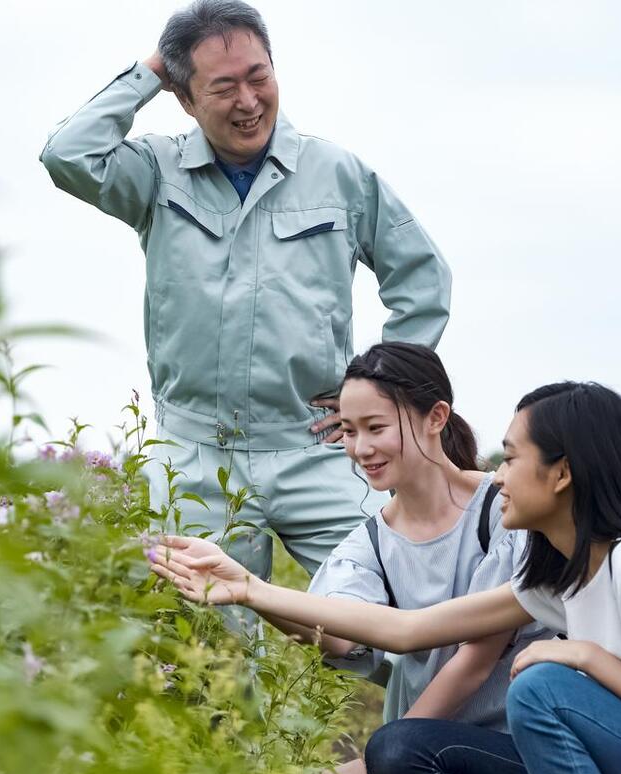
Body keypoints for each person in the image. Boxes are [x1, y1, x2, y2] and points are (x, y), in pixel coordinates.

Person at [148, 382, 621, 774]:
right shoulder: (563, 579)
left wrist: (588, 658)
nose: (495, 472)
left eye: (512, 457)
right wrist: (249, 589)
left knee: (544, 686)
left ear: (563, 473)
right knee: (403, 743)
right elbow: (405, 631)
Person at [40, 0, 452, 595]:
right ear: (184, 97)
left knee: (400, 612)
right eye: (224, 86)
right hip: (194, 455)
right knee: (203, 645)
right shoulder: (156, 171)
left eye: (260, 77)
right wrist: (153, 69)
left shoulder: (337, 173)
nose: (249, 101)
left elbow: (422, 279)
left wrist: (384, 391)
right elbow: (67, 155)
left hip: (316, 447)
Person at [177, 342, 546, 774]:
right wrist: (244, 589)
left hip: (518, 751)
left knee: (388, 756)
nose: (361, 448)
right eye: (349, 431)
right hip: (423, 755)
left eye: (376, 428)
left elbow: (473, 664)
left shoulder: (505, 512)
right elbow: (338, 636)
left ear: (436, 417)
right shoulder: (368, 542)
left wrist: (373, 759)